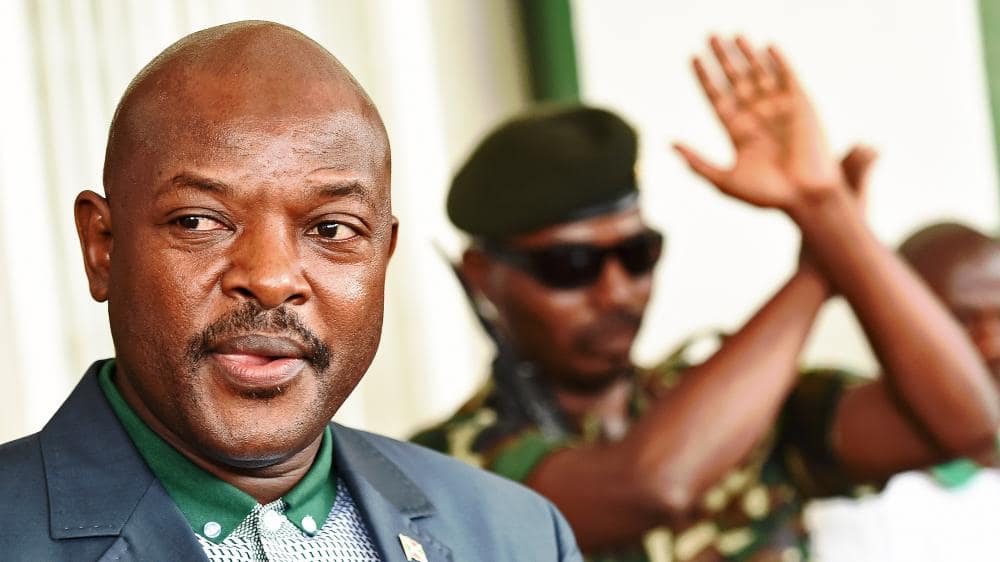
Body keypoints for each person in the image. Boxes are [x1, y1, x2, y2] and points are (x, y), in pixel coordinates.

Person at [0, 21, 581, 562]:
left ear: (383, 254)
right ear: (102, 247)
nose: (273, 279)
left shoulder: (519, 536)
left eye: (332, 230)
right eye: (199, 221)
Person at [413, 36, 1000, 561]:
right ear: (484, 274)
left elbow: (969, 427)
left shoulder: (742, 409)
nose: (616, 291)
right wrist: (818, 271)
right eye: (572, 265)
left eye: (638, 254)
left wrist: (827, 210)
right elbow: (650, 486)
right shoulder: (445, 465)